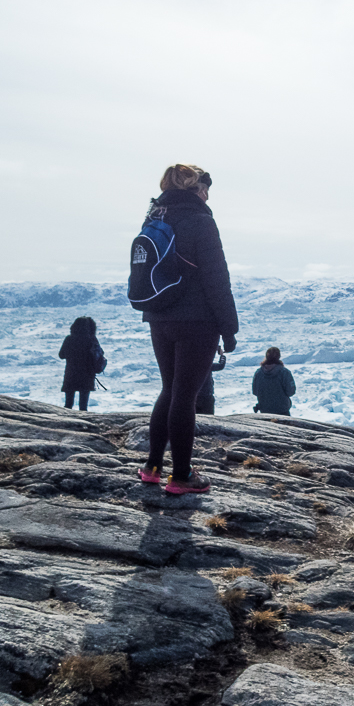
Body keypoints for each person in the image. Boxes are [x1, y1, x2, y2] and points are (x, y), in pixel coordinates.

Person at [139, 164, 238, 495]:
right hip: (196, 321)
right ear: (196, 190)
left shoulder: (155, 217)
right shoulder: (200, 220)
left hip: (158, 316)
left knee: (169, 390)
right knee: (185, 396)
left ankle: (152, 467)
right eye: (206, 188)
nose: (208, 195)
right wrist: (229, 328)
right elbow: (216, 277)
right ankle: (181, 476)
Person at [58, 316, 101, 411]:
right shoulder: (92, 340)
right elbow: (98, 356)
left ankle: (66, 424)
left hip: (71, 373)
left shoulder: (69, 339)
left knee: (68, 405)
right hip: (87, 374)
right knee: (83, 406)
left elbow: (61, 355)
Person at [253, 347, 296, 416]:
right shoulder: (285, 372)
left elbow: (255, 391)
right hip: (282, 410)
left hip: (264, 410)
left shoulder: (258, 373)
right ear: (279, 356)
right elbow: (291, 391)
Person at [195, 346, 227, 416]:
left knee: (196, 419)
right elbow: (221, 365)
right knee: (209, 418)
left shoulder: (190, 365)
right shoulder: (206, 365)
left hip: (195, 396)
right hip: (206, 396)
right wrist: (222, 355)